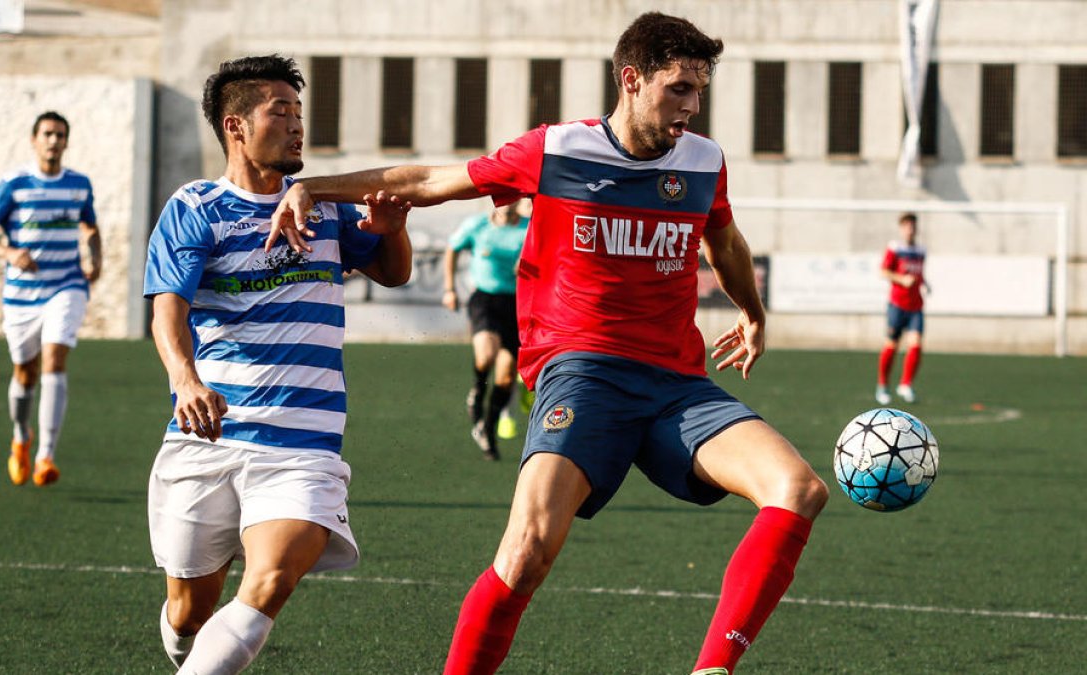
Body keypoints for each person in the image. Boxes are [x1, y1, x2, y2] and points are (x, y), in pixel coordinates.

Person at [268, 12, 828, 675]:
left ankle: (711, 670)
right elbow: (426, 182)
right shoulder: (558, 149)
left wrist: (752, 313)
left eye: (699, 91)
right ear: (632, 80)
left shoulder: (704, 161)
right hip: (581, 373)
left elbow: (724, 241)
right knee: (527, 549)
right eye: (678, 88)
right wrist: (309, 186)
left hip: (676, 384)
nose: (692, 107)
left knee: (798, 487)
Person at [143, 54, 412, 674]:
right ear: (235, 127)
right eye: (280, 112)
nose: (297, 126)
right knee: (189, 613)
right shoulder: (196, 207)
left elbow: (393, 273)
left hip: (304, 443)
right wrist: (185, 382)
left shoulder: (331, 207)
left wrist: (392, 230)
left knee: (269, 583)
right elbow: (167, 312)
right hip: (209, 434)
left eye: (300, 113)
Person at [0, 111, 102, 487]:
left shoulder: (79, 185)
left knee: (55, 358)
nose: (53, 141)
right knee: (24, 375)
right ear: (34, 140)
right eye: (47, 134)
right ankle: (20, 436)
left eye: (60, 135)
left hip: (67, 285)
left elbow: (90, 226)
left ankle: (46, 456)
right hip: (22, 296)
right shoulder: (14, 185)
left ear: (66, 141)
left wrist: (96, 257)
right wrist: (9, 254)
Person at [442, 201, 529, 460]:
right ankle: (478, 392)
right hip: (484, 300)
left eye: (514, 196)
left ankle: (486, 428)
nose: (509, 201)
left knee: (505, 377)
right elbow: (452, 248)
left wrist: (528, 267)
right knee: (486, 356)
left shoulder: (528, 229)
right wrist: (450, 288)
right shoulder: (478, 225)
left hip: (515, 304)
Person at [875, 212, 927, 405]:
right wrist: (901, 279)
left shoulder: (921, 250)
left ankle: (906, 384)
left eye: (913, 226)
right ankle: (882, 386)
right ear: (902, 228)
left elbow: (918, 274)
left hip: (916, 306)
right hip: (897, 305)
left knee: (916, 344)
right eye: (907, 226)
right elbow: (883, 271)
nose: (910, 230)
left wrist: (925, 283)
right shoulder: (894, 248)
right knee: (892, 346)